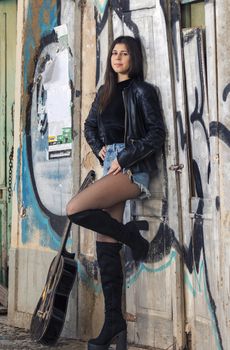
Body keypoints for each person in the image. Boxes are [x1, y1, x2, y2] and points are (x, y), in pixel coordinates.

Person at [66, 36, 165, 350]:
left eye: (124, 53)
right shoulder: (105, 92)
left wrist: (123, 157)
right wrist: (101, 150)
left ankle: (131, 237)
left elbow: (156, 133)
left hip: (131, 168)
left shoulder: (142, 91)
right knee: (105, 245)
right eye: (114, 53)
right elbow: (89, 126)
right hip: (111, 165)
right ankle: (114, 324)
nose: (117, 57)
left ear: (133, 58)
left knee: (75, 209)